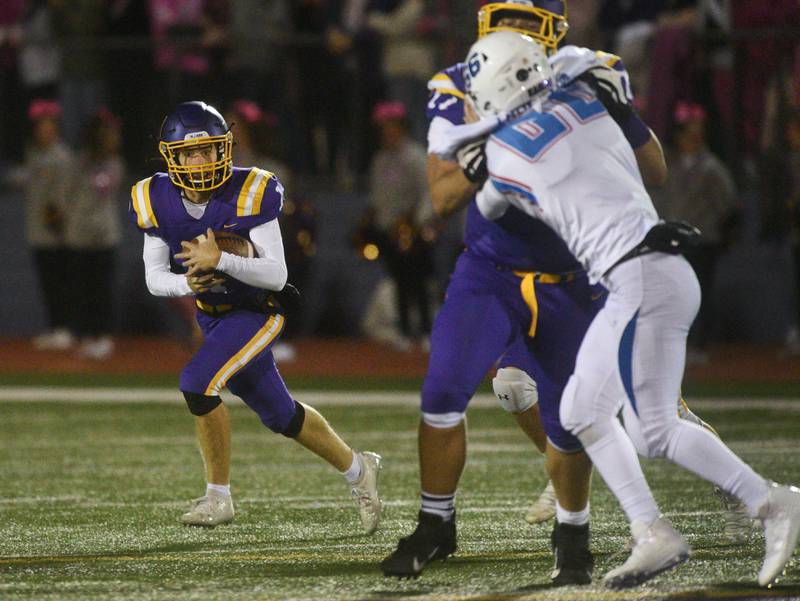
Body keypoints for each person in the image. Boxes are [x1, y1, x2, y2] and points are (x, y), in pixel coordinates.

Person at [381, 0, 751, 584]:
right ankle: (438, 521)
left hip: (580, 274)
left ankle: (714, 494)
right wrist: (492, 145)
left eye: (529, 22)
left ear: (553, 34)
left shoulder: (583, 72)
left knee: (629, 413)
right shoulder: (459, 83)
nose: (514, 34)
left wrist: (618, 114)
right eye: (506, 17)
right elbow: (445, 196)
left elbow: (651, 169)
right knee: (460, 389)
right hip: (491, 270)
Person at [469, 31, 800, 589]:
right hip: (648, 272)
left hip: (640, 275)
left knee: (653, 432)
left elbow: (487, 203)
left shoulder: (506, 147)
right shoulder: (585, 96)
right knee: (580, 411)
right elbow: (597, 65)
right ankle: (652, 531)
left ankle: (771, 501)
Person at [129, 101, 382, 533]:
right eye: (190, 153)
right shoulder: (154, 197)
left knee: (197, 382)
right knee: (281, 416)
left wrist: (221, 258)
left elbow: (276, 274)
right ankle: (360, 470)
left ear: (224, 149)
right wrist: (188, 285)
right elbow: (155, 277)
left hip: (255, 311)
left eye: (208, 150)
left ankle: (218, 497)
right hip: (212, 314)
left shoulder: (251, 190)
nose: (201, 160)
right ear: (171, 155)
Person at [66, 107, 124, 360]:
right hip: (80, 237)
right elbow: (69, 195)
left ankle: (102, 336)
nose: (115, 139)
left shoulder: (113, 164)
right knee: (83, 290)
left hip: (104, 238)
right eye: (110, 134)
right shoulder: (78, 163)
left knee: (102, 290)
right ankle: (88, 335)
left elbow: (103, 191)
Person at [25, 99, 76, 351]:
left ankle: (65, 328)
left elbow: (61, 198)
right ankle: (56, 327)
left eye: (48, 127)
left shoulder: (61, 156)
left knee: (60, 282)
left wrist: (57, 226)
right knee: (47, 282)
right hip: (38, 232)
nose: (43, 132)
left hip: (56, 232)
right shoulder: (34, 154)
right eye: (40, 127)